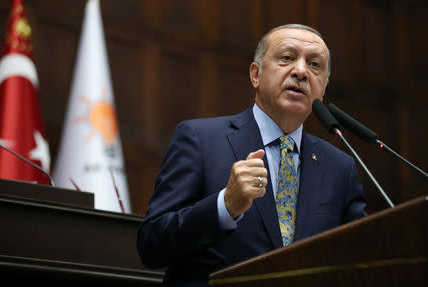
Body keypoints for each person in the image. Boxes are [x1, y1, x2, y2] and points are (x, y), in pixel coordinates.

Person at [137, 24, 367, 286]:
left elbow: (360, 259)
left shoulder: (340, 167)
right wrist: (225, 206)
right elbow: (151, 245)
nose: (301, 72)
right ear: (256, 74)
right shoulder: (199, 139)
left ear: (323, 88)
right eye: (287, 58)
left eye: (315, 65)